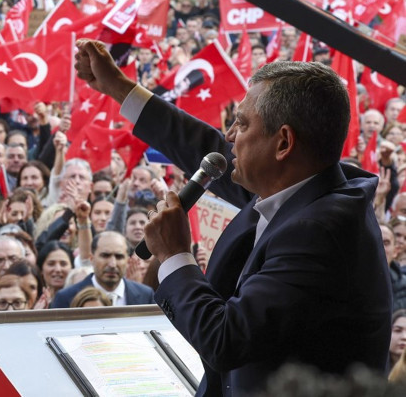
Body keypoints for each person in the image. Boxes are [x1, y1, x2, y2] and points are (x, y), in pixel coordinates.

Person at [74, 39, 391, 394]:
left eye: (240, 124)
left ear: (283, 143)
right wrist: (117, 87)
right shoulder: (300, 185)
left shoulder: (318, 231)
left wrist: (175, 255)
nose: (229, 136)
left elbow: (226, 340)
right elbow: (203, 146)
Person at [50, 232, 154, 308]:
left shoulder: (145, 295)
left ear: (127, 260)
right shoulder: (66, 297)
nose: (112, 264)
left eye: (119, 257)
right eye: (105, 255)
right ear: (91, 258)